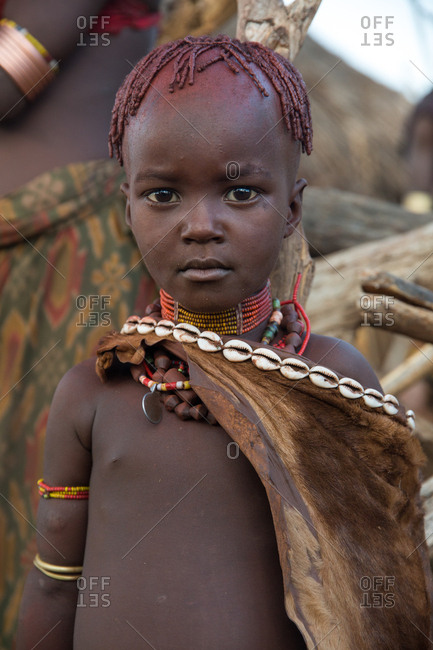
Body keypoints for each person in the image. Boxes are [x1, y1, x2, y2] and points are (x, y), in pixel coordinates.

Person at [17, 35, 432, 649]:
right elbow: (53, 588)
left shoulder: (334, 381)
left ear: (292, 207)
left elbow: (384, 587)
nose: (202, 226)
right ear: (126, 207)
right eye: (163, 195)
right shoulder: (93, 392)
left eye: (241, 193)